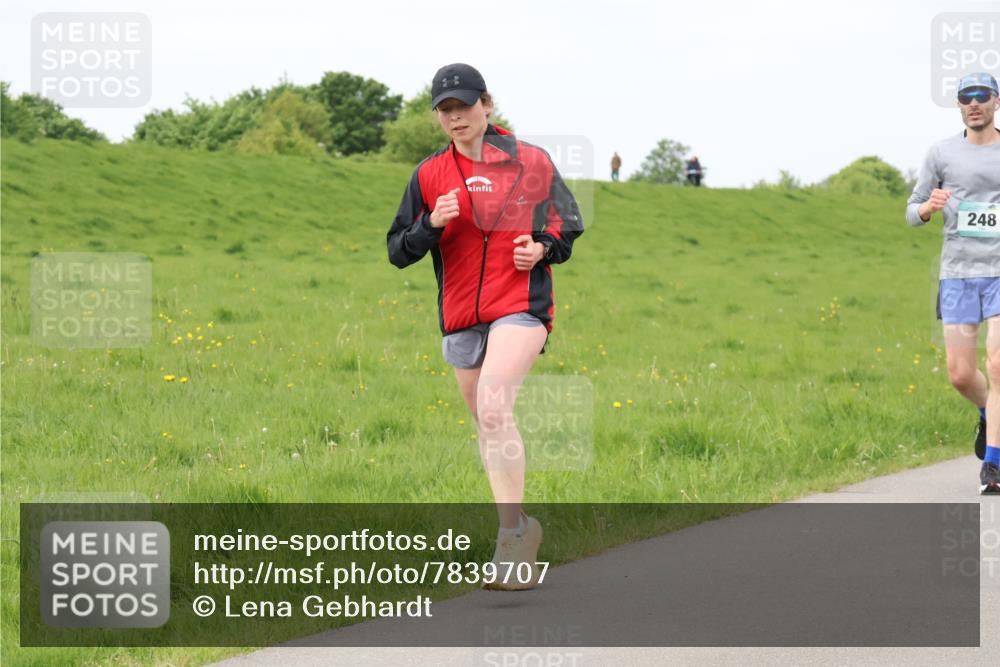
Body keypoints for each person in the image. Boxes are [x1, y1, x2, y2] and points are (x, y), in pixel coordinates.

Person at [386, 63, 584, 587]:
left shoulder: (530, 160)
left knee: (495, 408)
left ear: (487, 105)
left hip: (520, 304)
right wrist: (431, 223)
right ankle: (521, 528)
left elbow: (568, 223)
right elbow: (397, 250)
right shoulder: (428, 174)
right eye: (446, 110)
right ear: (438, 117)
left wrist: (541, 248)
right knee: (487, 423)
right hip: (460, 316)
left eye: (465, 106)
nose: (456, 117)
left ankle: (511, 544)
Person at [906, 71, 1000, 494]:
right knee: (961, 374)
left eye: (981, 95)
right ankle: (987, 413)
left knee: (997, 365)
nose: (973, 103)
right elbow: (911, 212)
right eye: (966, 96)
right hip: (959, 275)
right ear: (959, 105)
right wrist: (928, 207)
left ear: (996, 101)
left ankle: (993, 466)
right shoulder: (941, 152)